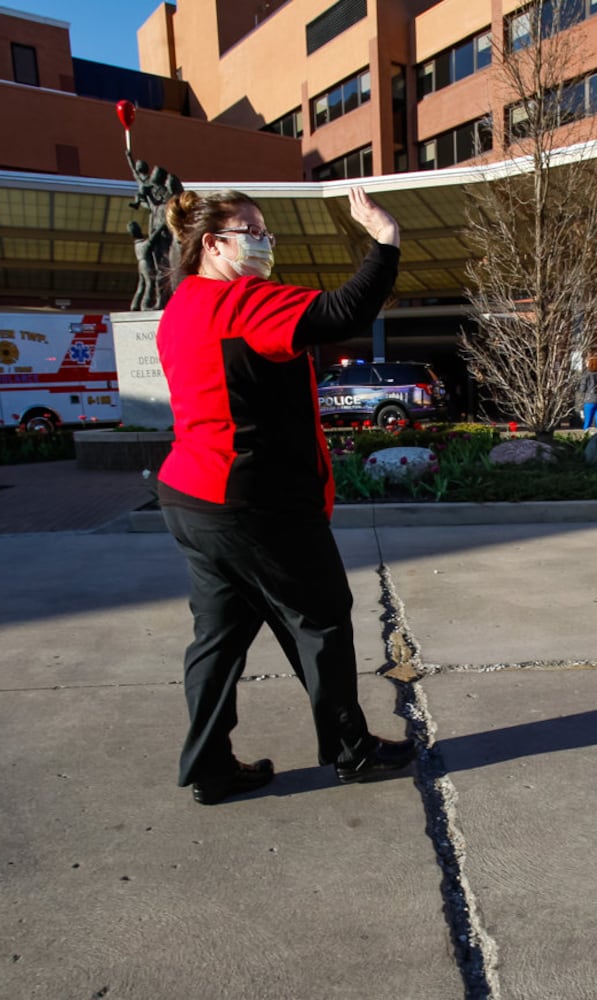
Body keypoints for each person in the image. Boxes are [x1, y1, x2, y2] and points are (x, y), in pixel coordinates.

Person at [156, 186, 413, 805]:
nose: (263, 242)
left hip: (193, 497)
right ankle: (352, 753)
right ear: (212, 244)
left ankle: (210, 767)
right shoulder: (240, 302)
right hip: (256, 501)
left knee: (218, 638)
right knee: (320, 618)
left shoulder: (181, 306)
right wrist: (385, 241)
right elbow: (344, 312)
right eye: (250, 230)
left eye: (265, 231)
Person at [578, 354, 597, 431]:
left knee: (587, 422)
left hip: (589, 400)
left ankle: (587, 436)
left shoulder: (586, 375)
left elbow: (582, 388)